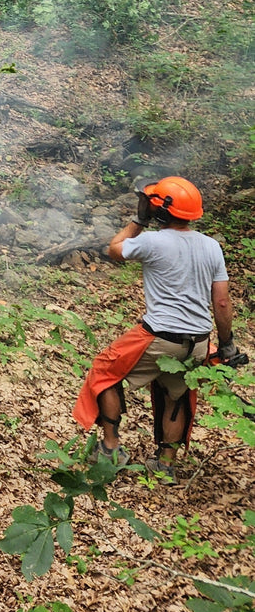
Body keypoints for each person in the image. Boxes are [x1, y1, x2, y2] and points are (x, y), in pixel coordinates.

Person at [72, 176, 237, 484]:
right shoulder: (212, 247)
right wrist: (226, 344)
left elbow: (114, 250)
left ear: (159, 211)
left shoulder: (151, 241)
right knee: (176, 396)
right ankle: (165, 465)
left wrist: (138, 219)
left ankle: (110, 449)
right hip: (198, 341)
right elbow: (223, 303)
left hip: (158, 336)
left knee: (104, 372)